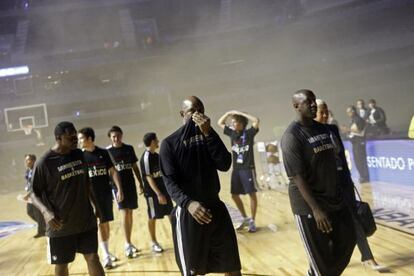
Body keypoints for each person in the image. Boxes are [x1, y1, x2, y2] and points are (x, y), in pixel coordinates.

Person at [159, 96, 241, 276]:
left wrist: (209, 133)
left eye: (200, 110)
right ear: (182, 113)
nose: (198, 114)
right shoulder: (169, 143)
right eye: (192, 111)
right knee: (193, 272)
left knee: (232, 268)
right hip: (189, 212)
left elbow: (225, 164)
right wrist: (188, 204)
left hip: (215, 208)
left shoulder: (208, 134)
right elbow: (169, 183)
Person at [281, 90, 355, 276]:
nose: (313, 104)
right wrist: (316, 209)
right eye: (308, 102)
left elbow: (331, 165)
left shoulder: (323, 129)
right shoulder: (292, 136)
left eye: (314, 101)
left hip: (334, 201)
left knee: (349, 239)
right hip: (309, 207)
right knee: (321, 262)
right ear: (296, 106)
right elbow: (297, 178)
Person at [316, 100, 386, 272]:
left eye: (326, 111)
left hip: (343, 182)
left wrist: (348, 178)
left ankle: (368, 257)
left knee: (355, 220)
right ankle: (324, 262)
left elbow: (340, 154)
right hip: (326, 187)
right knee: (330, 226)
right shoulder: (309, 134)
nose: (324, 114)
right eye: (320, 111)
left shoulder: (332, 129)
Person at [29, 121, 104, 276]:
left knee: (93, 257)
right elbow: (33, 193)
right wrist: (46, 212)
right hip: (60, 225)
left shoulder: (79, 154)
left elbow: (87, 183)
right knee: (62, 266)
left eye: (75, 137)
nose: (75, 140)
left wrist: (96, 205)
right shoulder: (44, 163)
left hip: (85, 220)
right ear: (58, 138)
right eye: (71, 138)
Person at [78, 127, 124, 269]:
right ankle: (105, 256)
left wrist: (119, 189)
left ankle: (107, 251)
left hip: (105, 194)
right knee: (99, 223)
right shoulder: (80, 156)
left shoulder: (103, 153)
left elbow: (113, 172)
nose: (79, 141)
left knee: (105, 224)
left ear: (90, 139)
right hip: (91, 197)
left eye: (82, 138)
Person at [217, 110, 260, 232]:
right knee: (234, 195)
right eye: (232, 122)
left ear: (241, 124)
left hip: (247, 169)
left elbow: (256, 120)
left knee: (252, 194)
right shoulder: (232, 134)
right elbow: (220, 122)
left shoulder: (249, 133)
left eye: (235, 122)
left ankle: (252, 221)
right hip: (236, 170)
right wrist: (230, 112)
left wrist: (241, 113)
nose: (232, 123)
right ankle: (245, 218)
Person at [107, 125, 144, 258]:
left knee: (130, 213)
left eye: (118, 135)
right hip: (117, 188)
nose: (116, 138)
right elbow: (107, 172)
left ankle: (129, 242)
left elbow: (135, 167)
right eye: (113, 136)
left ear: (121, 135)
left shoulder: (129, 148)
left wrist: (140, 183)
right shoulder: (107, 152)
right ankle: (127, 244)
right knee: (123, 213)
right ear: (110, 138)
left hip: (130, 185)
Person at [140, 132, 173, 253]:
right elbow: (148, 177)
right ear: (152, 142)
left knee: (171, 213)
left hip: (164, 190)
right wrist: (158, 193)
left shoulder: (157, 156)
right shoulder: (146, 157)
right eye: (156, 140)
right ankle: (153, 242)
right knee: (152, 216)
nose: (158, 141)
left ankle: (177, 236)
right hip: (152, 194)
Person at [23, 154, 46, 238]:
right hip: (31, 195)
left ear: (33, 161)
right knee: (30, 212)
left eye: (28, 160)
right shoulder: (28, 171)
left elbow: (36, 186)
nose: (26, 162)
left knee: (38, 213)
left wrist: (28, 194)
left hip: (37, 196)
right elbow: (28, 183)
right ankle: (44, 224)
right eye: (25, 160)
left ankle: (41, 231)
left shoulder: (37, 170)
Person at [345, 106, 370, 183]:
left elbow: (359, 130)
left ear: (353, 111)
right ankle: (362, 176)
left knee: (361, 160)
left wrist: (348, 129)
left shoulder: (358, 119)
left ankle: (364, 177)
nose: (348, 114)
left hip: (359, 143)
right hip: (355, 143)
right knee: (357, 161)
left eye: (349, 112)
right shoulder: (353, 120)